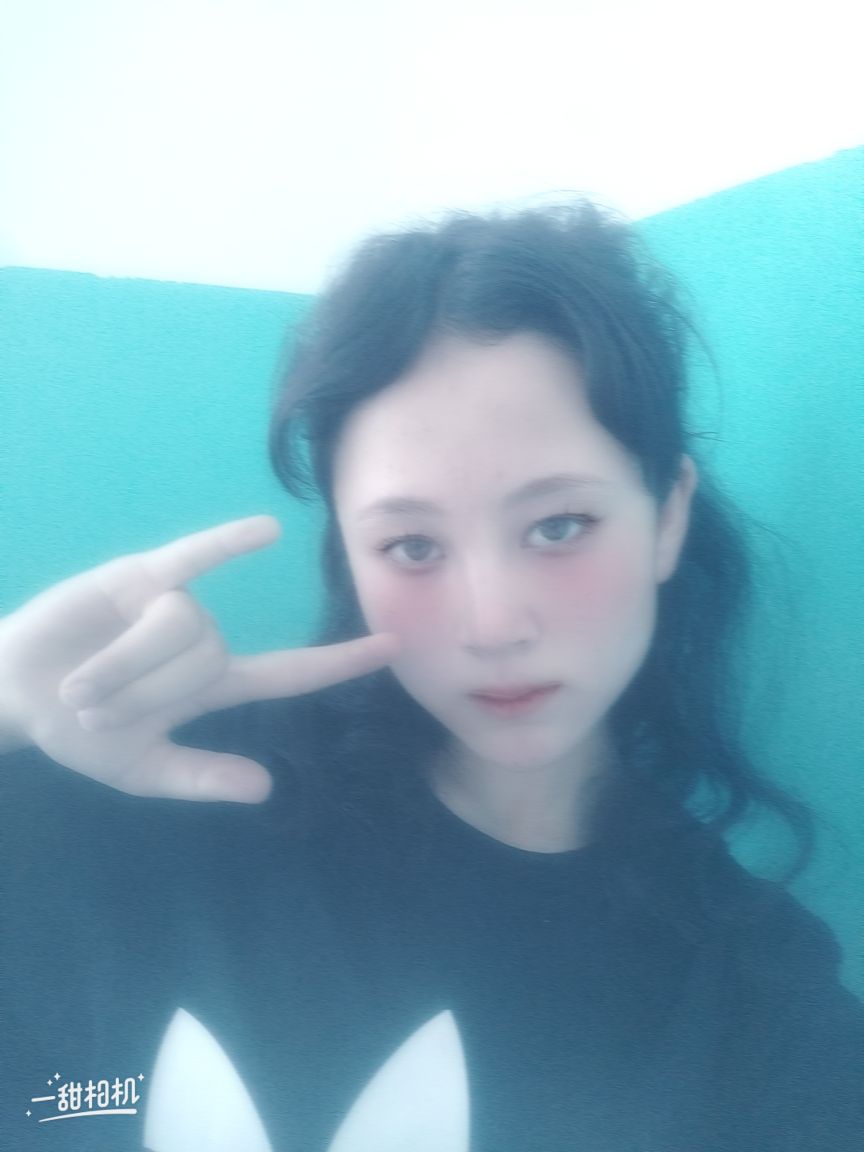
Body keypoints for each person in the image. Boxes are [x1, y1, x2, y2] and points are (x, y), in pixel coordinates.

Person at [1, 200, 862, 1152]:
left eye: (560, 526)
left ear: (667, 517)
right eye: (412, 545)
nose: (491, 625)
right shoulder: (152, 797)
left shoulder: (749, 988)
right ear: (350, 557)